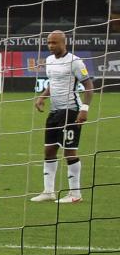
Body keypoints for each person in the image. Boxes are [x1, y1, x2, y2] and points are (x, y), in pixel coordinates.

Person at [30, 30, 94, 204]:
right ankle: (48, 192)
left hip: (71, 111)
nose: (51, 46)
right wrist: (42, 97)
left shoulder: (75, 61)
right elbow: (54, 83)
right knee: (49, 150)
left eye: (54, 42)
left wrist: (84, 109)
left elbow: (89, 86)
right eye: (49, 42)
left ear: (64, 43)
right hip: (55, 111)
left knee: (69, 151)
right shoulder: (49, 60)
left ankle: (75, 194)